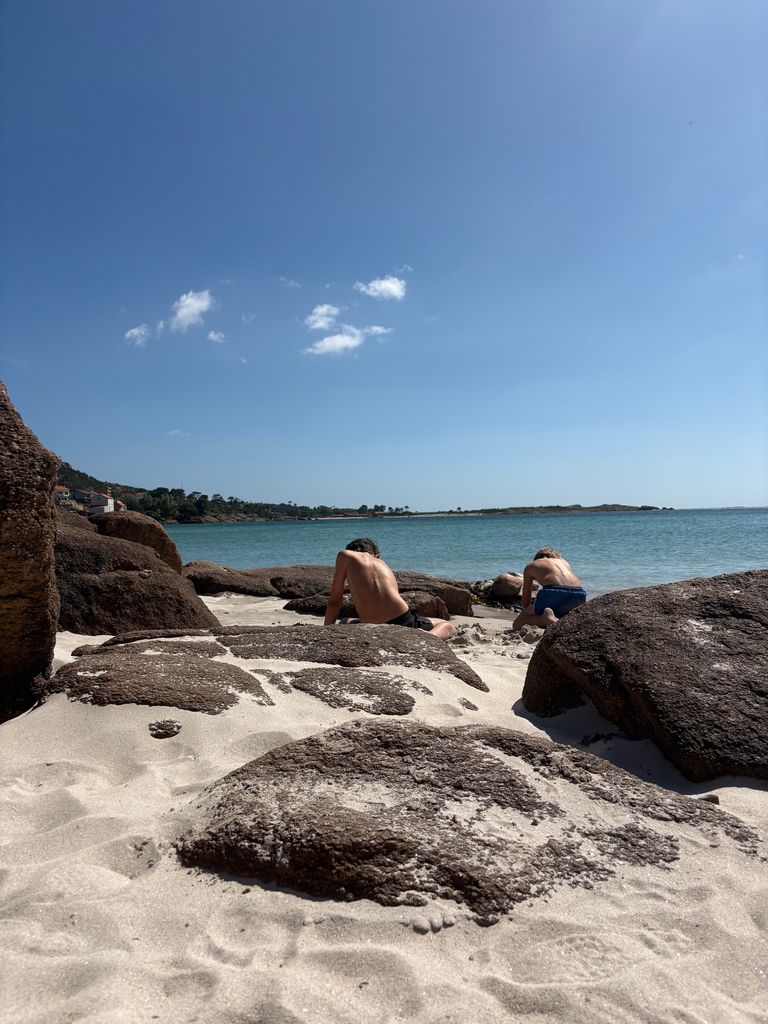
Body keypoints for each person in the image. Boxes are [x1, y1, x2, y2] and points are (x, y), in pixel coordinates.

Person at [324, 538, 455, 640]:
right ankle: (429, 637)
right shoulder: (382, 564)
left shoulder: (344, 555)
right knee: (446, 625)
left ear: (350, 551)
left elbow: (335, 601)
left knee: (344, 621)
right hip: (402, 620)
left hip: (372, 625)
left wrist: (325, 632)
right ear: (377, 556)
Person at [512, 547, 586, 630]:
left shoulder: (532, 565)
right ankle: (553, 619)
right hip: (580, 595)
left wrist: (532, 611)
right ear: (556, 556)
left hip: (554, 592)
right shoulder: (564, 562)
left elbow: (525, 603)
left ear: (537, 558)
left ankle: (544, 619)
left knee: (517, 624)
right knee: (559, 611)